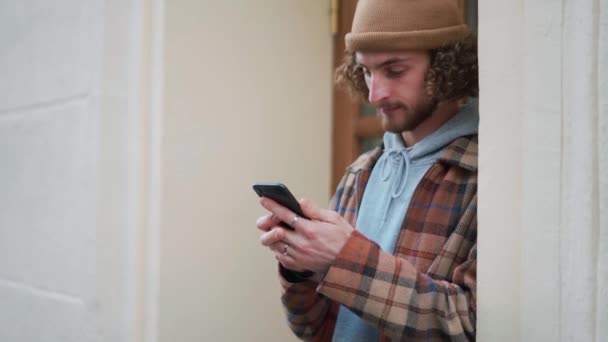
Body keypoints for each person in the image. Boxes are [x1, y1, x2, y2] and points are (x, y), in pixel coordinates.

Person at [256, 0, 479, 340]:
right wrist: (301, 267)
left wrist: (345, 259)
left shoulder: (483, 176)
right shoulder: (359, 173)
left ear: (444, 64)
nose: (375, 94)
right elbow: (313, 329)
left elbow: (470, 327)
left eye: (395, 70)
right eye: (366, 71)